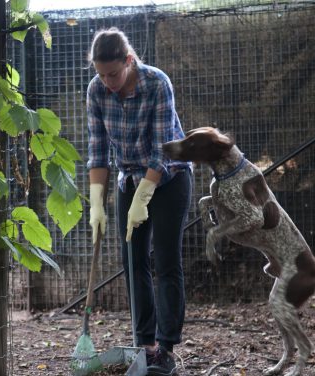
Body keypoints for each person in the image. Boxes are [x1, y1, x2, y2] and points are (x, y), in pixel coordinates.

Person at [86, 27, 192, 376]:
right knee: (132, 260)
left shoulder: (156, 83)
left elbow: (164, 150)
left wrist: (144, 196)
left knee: (165, 258)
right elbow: (98, 150)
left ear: (128, 61)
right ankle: (144, 343)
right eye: (101, 74)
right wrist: (97, 202)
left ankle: (166, 348)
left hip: (170, 177)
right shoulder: (97, 91)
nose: (108, 81)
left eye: (113, 73)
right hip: (128, 177)